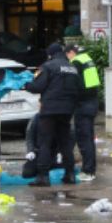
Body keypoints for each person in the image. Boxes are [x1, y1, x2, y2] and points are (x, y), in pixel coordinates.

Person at [24, 42, 81, 187]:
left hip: (50, 109)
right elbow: (79, 88)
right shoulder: (73, 68)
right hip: (67, 110)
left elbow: (37, 86)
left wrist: (25, 85)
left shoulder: (48, 66)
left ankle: (43, 176)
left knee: (45, 142)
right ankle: (70, 174)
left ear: (50, 54)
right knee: (65, 143)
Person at [66, 44, 100, 182]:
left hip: (83, 105)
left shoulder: (76, 62)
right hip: (93, 103)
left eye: (67, 55)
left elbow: (73, 84)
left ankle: (88, 171)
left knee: (84, 140)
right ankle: (91, 169)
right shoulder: (87, 59)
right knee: (89, 139)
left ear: (70, 53)